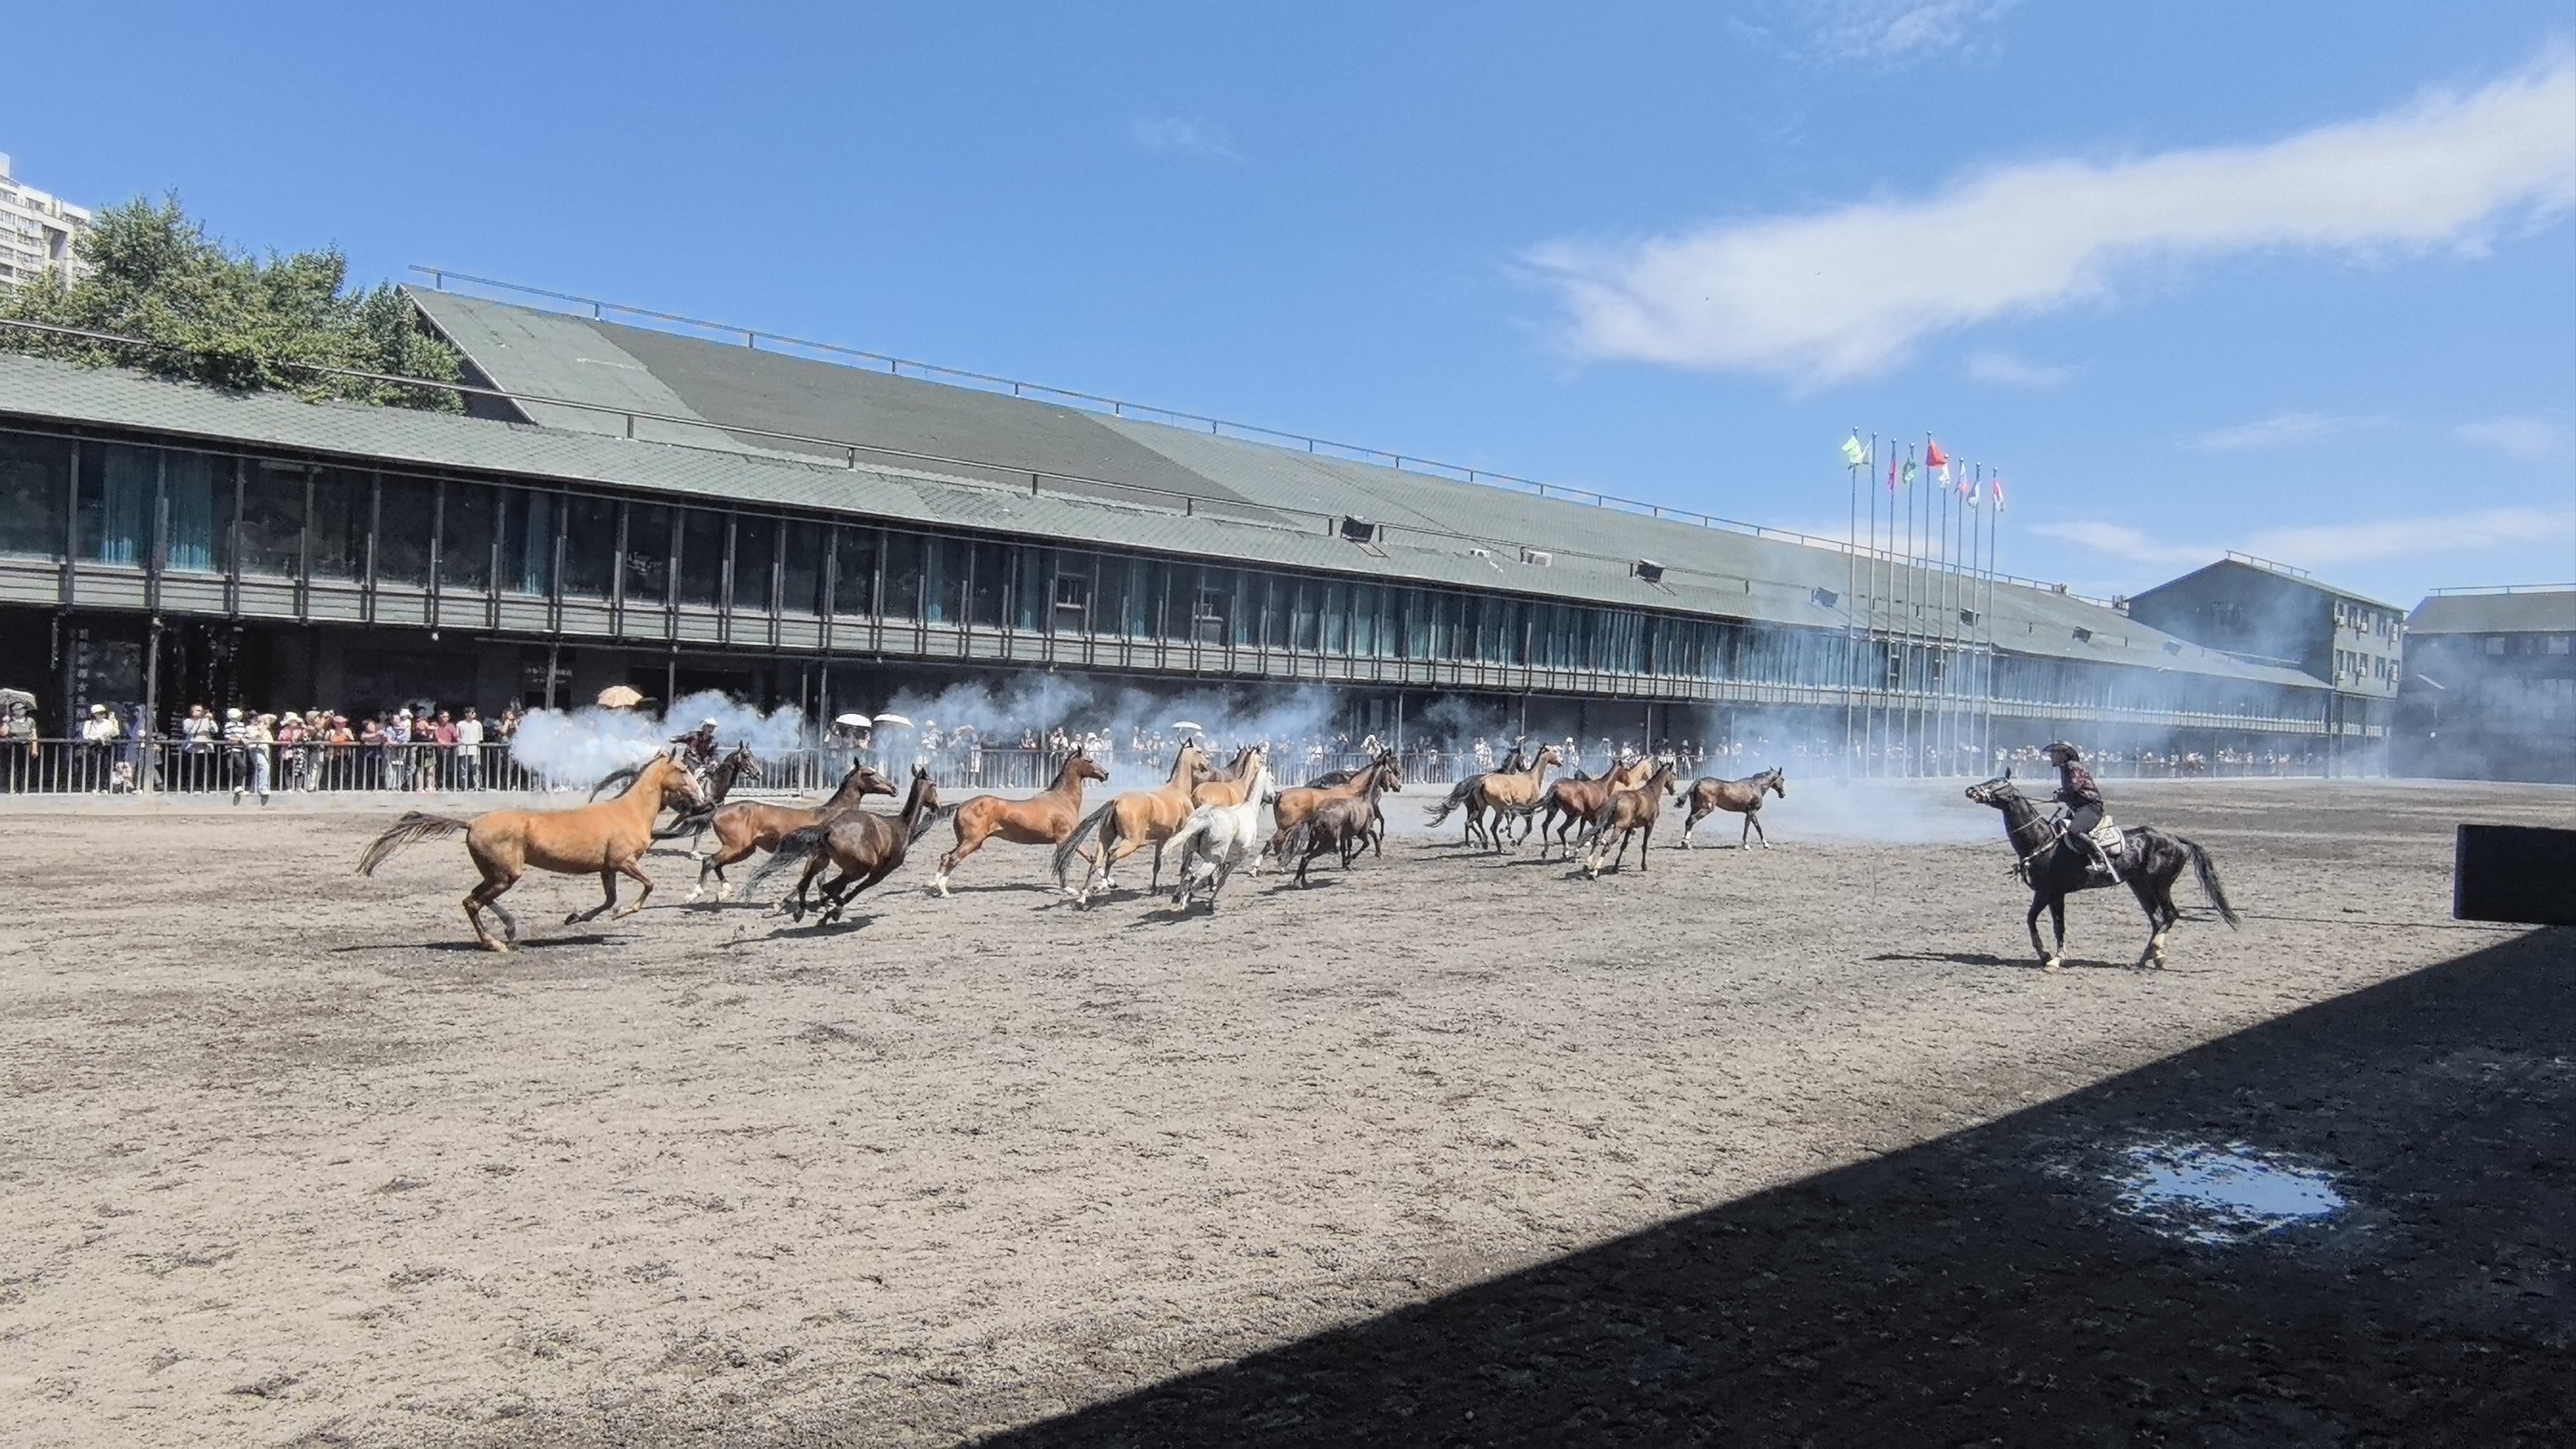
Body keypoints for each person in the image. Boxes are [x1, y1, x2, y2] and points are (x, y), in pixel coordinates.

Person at [2042, 741, 2119, 883]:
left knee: (2074, 831)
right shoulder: (2066, 768)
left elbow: (2074, 788)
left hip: (2091, 807)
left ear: (2064, 755)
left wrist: (2061, 796)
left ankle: (2100, 859)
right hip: (2079, 807)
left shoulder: (2072, 767)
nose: (2051, 757)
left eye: (2054, 753)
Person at [455, 707, 485, 790]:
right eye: (470, 713)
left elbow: (480, 738)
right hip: (463, 749)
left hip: (475, 749)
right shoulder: (460, 724)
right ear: (466, 714)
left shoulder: (478, 724)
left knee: (476, 768)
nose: (472, 715)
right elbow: (457, 737)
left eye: (473, 713)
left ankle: (477, 785)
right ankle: (463, 785)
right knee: (463, 768)